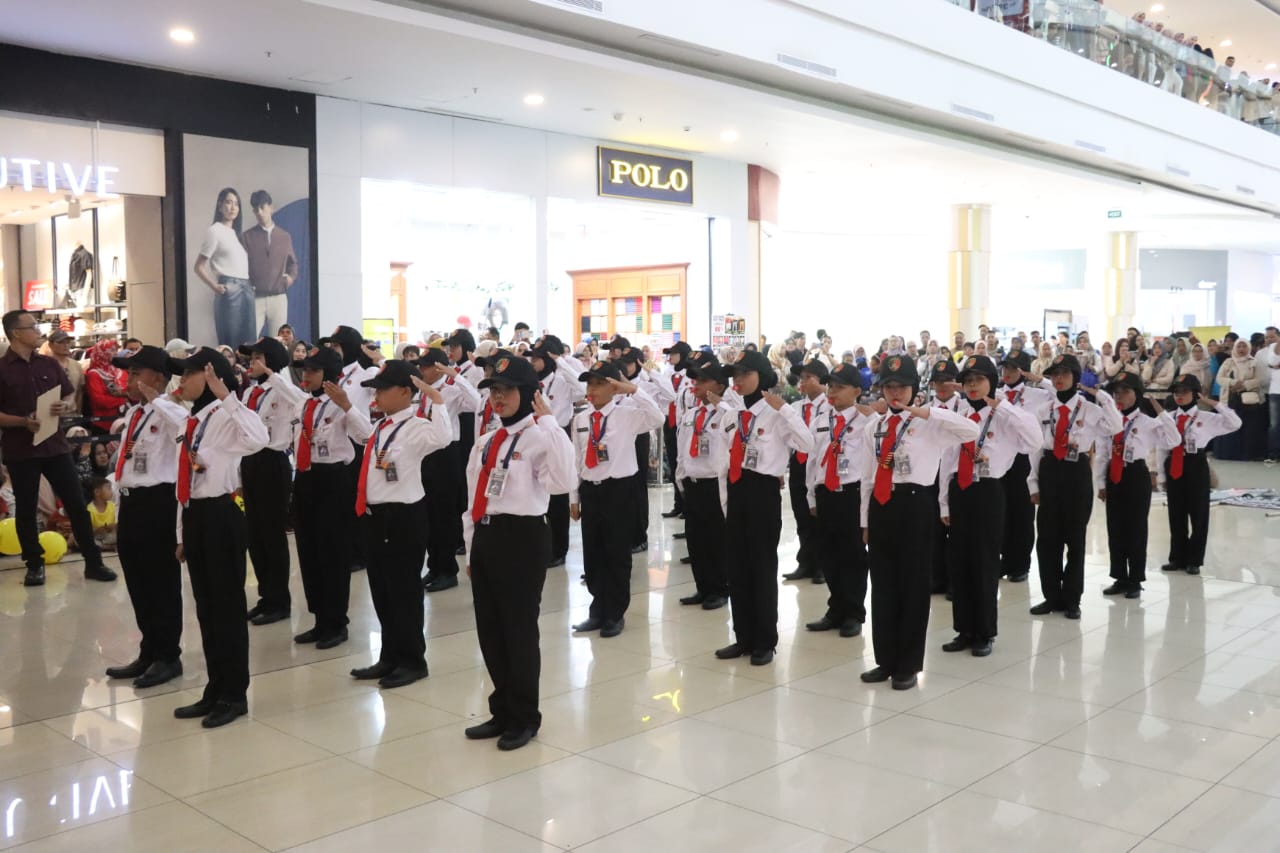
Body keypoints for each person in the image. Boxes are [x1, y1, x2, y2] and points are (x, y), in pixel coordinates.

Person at [461, 355, 574, 751]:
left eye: (508, 390)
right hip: (487, 536)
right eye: (494, 390)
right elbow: (473, 499)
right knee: (491, 631)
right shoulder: (486, 441)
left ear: (529, 394)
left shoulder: (541, 436)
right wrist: (471, 549)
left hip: (523, 538)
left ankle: (524, 717)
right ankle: (502, 710)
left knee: (519, 631)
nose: (498, 397)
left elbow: (563, 482)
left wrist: (550, 423)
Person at [859, 355, 978, 690]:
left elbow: (970, 430)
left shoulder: (930, 422)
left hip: (915, 504)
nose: (895, 392)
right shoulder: (874, 426)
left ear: (914, 388)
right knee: (883, 585)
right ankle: (885, 660)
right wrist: (865, 520)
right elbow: (867, 477)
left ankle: (908, 665)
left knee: (912, 585)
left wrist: (929, 412)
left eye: (902, 386)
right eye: (889, 386)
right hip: (882, 505)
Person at [165, 348, 270, 728]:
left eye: (189, 373)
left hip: (223, 515)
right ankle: (215, 687)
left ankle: (234, 694)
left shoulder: (227, 415)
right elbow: (186, 479)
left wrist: (228, 396)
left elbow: (260, 438)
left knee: (227, 608)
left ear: (211, 377)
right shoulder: (194, 420)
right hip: (196, 516)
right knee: (206, 609)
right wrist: (181, 532)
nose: (181, 381)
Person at [350, 360, 452, 689]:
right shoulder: (381, 426)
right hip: (375, 516)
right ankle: (389, 656)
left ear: (406, 392)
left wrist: (436, 399)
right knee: (381, 590)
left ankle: (412, 660)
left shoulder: (416, 426)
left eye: (383, 389)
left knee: (404, 592)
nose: (376, 395)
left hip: (402, 518)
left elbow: (443, 437)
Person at [0, 311, 115, 586]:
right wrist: (23, 422)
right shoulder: (2, 369)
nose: (38, 330)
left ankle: (93, 562)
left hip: (55, 445)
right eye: (32, 326)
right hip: (21, 448)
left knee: (76, 503)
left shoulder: (49, 365)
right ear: (16, 333)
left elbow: (68, 398)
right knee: (26, 508)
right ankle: (34, 564)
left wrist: (63, 407)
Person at [714, 351, 815, 666]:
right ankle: (743, 636)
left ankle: (764, 641)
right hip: (736, 490)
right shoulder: (732, 415)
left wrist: (785, 409)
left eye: (745, 374)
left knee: (761, 566)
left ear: (762, 376)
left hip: (763, 492)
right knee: (737, 567)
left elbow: (807, 444)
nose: (739, 380)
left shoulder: (776, 413)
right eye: (736, 375)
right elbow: (723, 461)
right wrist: (725, 501)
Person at [938, 356, 1040, 657]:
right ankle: (963, 629)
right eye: (968, 381)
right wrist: (944, 502)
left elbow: (1034, 440)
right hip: (959, 489)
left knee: (984, 562)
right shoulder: (959, 413)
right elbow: (948, 458)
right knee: (960, 562)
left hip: (988, 491)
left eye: (979, 380)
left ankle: (984, 632)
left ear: (991, 382)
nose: (972, 386)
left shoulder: (1006, 415)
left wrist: (1002, 406)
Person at [102, 345, 186, 689]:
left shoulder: (170, 410)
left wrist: (158, 399)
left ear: (159, 378)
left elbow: (185, 426)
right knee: (138, 581)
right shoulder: (135, 413)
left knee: (161, 583)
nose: (129, 378)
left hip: (158, 502)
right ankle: (148, 650)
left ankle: (168, 656)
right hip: (132, 502)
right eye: (129, 372)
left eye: (136, 372)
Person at [570, 359, 664, 638]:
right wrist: (574, 496)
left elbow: (657, 418)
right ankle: (597, 610)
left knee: (616, 553)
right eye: (589, 384)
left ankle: (615, 612)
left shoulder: (627, 414)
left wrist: (633, 390)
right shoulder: (581, 419)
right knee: (593, 553)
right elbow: (576, 458)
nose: (592, 389)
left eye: (600, 384)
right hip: (591, 490)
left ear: (614, 388)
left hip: (619, 490)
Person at [1028, 354, 1122, 620]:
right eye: (1055, 374)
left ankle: (1072, 599)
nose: (1058, 379)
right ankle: (1051, 596)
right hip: (1049, 470)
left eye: (1065, 374)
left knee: (1075, 538)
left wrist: (1101, 395)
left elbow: (1116, 426)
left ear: (1076, 378)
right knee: (1048, 539)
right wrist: (1032, 483)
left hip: (1076, 471)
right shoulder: (1043, 410)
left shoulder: (1090, 409)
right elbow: (1035, 449)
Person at [292, 347, 371, 650]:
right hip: (306, 478)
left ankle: (337, 622)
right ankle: (319, 618)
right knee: (308, 550)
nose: (307, 375)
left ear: (329, 374)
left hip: (333, 480)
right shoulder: (305, 403)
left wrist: (347, 406)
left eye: (313, 370)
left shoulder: (341, 404)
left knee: (332, 553)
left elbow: (366, 436)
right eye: (305, 370)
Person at [238, 337, 307, 626]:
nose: (250, 362)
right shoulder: (249, 392)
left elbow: (301, 400)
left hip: (273, 462)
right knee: (254, 534)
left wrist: (274, 376)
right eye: (250, 357)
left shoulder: (284, 389)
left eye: (257, 357)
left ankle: (280, 601)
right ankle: (265, 596)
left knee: (272, 534)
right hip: (250, 460)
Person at [1095, 372, 1179, 600]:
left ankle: (1135, 579)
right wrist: (1100, 482)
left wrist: (1162, 413)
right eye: (1116, 392)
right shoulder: (1108, 421)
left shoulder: (1147, 422)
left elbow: (1174, 440)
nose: (1120, 396)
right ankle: (1119, 577)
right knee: (1115, 528)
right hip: (1114, 474)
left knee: (1136, 529)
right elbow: (1101, 452)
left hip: (1135, 475)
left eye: (1126, 392)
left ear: (1137, 394)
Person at [804, 363, 873, 638]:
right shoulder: (821, 420)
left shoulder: (867, 421)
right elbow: (812, 460)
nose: (833, 392)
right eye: (830, 386)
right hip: (825, 493)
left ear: (857, 391)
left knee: (852, 555)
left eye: (840, 387)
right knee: (828, 554)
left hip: (852, 494)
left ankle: (854, 613)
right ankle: (836, 609)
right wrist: (811, 494)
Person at [1158, 375, 1242, 576]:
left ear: (1195, 394)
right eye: (1176, 392)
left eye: (1185, 391)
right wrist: (1161, 476)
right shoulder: (1169, 417)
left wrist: (1214, 404)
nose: (1179, 396)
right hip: (1174, 463)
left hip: (1195, 464)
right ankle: (1177, 557)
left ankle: (1194, 560)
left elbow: (1235, 423)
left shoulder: (1207, 418)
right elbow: (1161, 447)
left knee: (1198, 514)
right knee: (1176, 513)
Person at [415, 348, 481, 593]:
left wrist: (456, 376)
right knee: (429, 514)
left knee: (444, 515)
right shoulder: (422, 391)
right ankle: (434, 566)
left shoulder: (451, 389)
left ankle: (448, 570)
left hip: (446, 453)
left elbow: (477, 403)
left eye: (426, 366)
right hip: (425, 452)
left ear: (438, 368)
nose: (421, 370)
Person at [675, 357, 730, 610]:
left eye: (704, 380)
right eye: (696, 380)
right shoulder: (692, 413)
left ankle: (719, 589)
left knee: (716, 540)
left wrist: (722, 404)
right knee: (696, 540)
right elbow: (682, 446)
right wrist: (681, 477)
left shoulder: (728, 412)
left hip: (714, 484)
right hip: (693, 482)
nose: (696, 384)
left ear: (719, 385)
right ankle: (703, 587)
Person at [529, 334, 585, 569]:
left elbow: (582, 388)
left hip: (558, 433)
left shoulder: (562, 380)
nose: (533, 361)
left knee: (558, 497)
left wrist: (560, 361)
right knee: (538, 491)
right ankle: (543, 546)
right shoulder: (531, 381)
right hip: (535, 436)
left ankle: (559, 549)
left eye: (537, 358)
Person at [783, 360, 829, 583]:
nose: (802, 382)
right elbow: (786, 437)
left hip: (820, 463)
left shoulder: (830, 406)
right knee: (801, 513)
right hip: (799, 463)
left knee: (818, 514)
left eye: (808, 377)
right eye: (801, 378)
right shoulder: (795, 407)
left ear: (822, 380)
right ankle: (806, 562)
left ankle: (822, 564)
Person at [194, 188, 255, 347]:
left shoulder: (237, 234)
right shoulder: (215, 231)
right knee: (230, 342)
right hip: (229, 287)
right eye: (228, 202)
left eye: (236, 204)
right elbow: (198, 266)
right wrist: (214, 286)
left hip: (246, 287)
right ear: (220, 206)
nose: (233, 207)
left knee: (249, 342)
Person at [242, 190, 298, 340]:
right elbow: (241, 267)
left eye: (262, 207)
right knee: (250, 339)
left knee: (278, 342)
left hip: (279, 297)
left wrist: (289, 279)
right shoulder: (247, 236)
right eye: (256, 209)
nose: (260, 212)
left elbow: (293, 264)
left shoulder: (284, 236)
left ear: (270, 208)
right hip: (256, 298)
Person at [659, 342, 696, 524]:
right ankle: (678, 503)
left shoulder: (691, 375)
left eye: (673, 354)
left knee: (685, 463)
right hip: (670, 421)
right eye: (669, 354)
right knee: (674, 463)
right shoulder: (667, 374)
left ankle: (688, 505)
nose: (670, 357)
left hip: (686, 424)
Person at [1213, 339, 1266, 460]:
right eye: (1239, 346)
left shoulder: (1254, 362)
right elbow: (1219, 378)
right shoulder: (1228, 362)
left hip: (1249, 400)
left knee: (1248, 427)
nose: (1241, 349)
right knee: (1232, 424)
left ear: (1249, 348)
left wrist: (1245, 385)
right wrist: (1233, 383)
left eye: (1244, 346)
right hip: (1231, 398)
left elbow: (1261, 379)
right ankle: (1230, 454)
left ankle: (1247, 454)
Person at [84, 339, 129, 433]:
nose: (115, 353)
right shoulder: (94, 374)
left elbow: (131, 391)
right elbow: (99, 400)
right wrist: (123, 399)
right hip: (103, 423)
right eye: (112, 350)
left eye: (116, 350)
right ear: (101, 352)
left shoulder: (120, 371)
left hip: (124, 421)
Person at [46, 330, 83, 414]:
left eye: (68, 342)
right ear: (50, 345)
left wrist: (79, 412)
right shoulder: (44, 365)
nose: (66, 345)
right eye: (61, 342)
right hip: (51, 413)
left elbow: (79, 391)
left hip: (72, 413)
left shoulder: (76, 365)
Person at [1265, 326, 1280, 463]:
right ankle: (1274, 454)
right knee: (1275, 425)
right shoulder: (1272, 347)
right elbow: (1273, 362)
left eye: (1272, 337)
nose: (1269, 339)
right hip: (1276, 391)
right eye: (1267, 337)